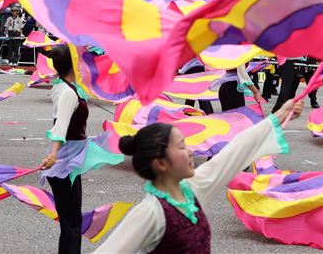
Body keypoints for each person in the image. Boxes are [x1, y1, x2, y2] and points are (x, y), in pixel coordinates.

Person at [95, 99, 303, 253]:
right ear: (160, 163)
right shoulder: (151, 213)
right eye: (182, 147)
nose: (191, 151)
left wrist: (278, 117)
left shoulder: (193, 189)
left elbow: (235, 152)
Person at [39, 45, 124, 254]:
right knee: (71, 224)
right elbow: (60, 126)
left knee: (71, 222)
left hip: (70, 160)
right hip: (64, 162)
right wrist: (53, 155)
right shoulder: (67, 92)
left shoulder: (67, 86)